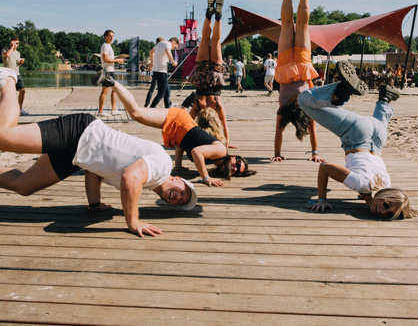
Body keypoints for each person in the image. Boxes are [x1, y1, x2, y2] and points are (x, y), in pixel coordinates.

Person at [0, 68, 197, 238]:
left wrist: (94, 205)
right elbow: (130, 178)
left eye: (180, 202)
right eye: (184, 192)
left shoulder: (150, 181)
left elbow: (94, 171)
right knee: (4, 136)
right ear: (178, 179)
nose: (179, 197)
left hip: (76, 156)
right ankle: (8, 79)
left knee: (23, 186)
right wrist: (133, 222)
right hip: (78, 133)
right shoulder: (162, 167)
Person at [298, 62, 418, 220]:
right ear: (388, 196)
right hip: (356, 135)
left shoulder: (385, 184)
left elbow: (371, 188)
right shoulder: (361, 184)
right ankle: (340, 91)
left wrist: (367, 198)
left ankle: (385, 98)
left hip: (378, 137)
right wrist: (322, 199)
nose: (383, 212)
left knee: (379, 122)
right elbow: (325, 167)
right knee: (304, 100)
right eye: (386, 206)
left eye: (389, 214)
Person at [96, 77, 256, 185]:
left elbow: (184, 144)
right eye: (238, 163)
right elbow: (196, 152)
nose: (234, 168)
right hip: (180, 121)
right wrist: (205, 177)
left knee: (137, 112)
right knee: (136, 113)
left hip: (180, 126)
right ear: (234, 157)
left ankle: (111, 81)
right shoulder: (221, 150)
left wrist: (178, 166)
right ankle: (112, 81)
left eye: (236, 171)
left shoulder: (214, 159)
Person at [271, 0, 324, 163]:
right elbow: (279, 134)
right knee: (286, 24)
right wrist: (276, 153)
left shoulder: (308, 108)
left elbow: (312, 132)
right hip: (286, 65)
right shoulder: (284, 108)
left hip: (301, 65)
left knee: (302, 25)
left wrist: (315, 153)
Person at [184, 0, 235, 148]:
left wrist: (226, 142)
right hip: (201, 72)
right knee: (207, 40)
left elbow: (225, 125)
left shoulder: (217, 106)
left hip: (215, 72)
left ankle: (216, 18)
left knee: (215, 41)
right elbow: (186, 123)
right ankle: (210, 16)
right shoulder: (198, 105)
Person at [96, 30, 124, 117]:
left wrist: (116, 61)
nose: (111, 38)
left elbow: (109, 59)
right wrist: (117, 60)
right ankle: (100, 111)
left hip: (111, 70)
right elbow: (106, 59)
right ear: (105, 36)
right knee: (105, 91)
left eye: (112, 36)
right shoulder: (105, 46)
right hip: (107, 71)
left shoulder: (109, 46)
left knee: (114, 90)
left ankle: (114, 109)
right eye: (110, 36)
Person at [149, 37, 179, 108]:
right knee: (161, 93)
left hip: (156, 70)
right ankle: (151, 109)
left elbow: (151, 51)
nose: (173, 49)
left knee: (167, 91)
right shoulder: (168, 44)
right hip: (161, 71)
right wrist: (173, 61)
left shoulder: (160, 44)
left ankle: (167, 108)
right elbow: (167, 51)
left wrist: (152, 62)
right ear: (173, 43)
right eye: (174, 47)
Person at [2, 36, 28, 116]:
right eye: (15, 42)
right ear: (11, 42)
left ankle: (20, 109)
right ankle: (7, 110)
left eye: (17, 43)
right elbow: (7, 55)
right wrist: (12, 46)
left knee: (22, 91)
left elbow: (17, 65)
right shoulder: (5, 50)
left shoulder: (18, 53)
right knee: (9, 93)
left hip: (17, 73)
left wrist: (21, 62)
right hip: (8, 74)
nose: (16, 44)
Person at [144, 37, 163, 107]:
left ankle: (147, 104)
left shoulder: (154, 49)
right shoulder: (158, 49)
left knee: (152, 89)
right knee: (162, 89)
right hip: (158, 70)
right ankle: (149, 104)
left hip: (154, 71)